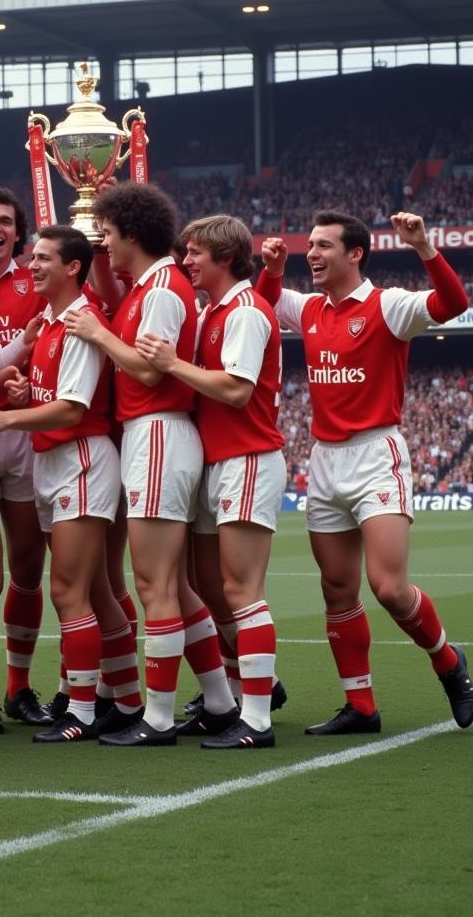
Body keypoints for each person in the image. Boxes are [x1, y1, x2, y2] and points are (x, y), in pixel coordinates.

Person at [257, 210, 473, 734]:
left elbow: (453, 305)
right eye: (309, 245)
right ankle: (361, 707)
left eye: (323, 245)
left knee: (389, 588)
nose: (311, 253)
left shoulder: (389, 306)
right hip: (325, 460)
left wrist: (424, 247)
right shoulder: (308, 308)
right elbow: (262, 307)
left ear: (354, 254)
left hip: (377, 455)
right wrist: (271, 268)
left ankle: (448, 662)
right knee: (337, 588)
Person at [65, 184, 237, 745]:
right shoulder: (151, 284)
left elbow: (147, 370)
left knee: (153, 583)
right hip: (154, 435)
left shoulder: (162, 287)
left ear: (132, 233)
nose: (104, 245)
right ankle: (217, 699)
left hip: (158, 430)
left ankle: (157, 718)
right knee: (177, 586)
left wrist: (96, 333)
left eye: (109, 234)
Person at [0, 225, 119, 743]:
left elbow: (74, 408)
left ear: (74, 267)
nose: (32, 266)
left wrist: (5, 419)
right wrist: (27, 396)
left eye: (44, 259)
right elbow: (57, 397)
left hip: (80, 459)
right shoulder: (50, 324)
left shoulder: (79, 321)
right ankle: (125, 698)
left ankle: (81, 711)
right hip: (53, 461)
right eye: (32, 258)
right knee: (88, 589)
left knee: (68, 590)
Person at [138, 214, 285, 748]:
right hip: (217, 460)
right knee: (209, 587)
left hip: (247, 458)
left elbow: (235, 390)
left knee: (243, 591)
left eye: (196, 252)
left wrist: (173, 365)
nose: (187, 260)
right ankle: (243, 694)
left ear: (225, 257)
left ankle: (258, 719)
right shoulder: (213, 311)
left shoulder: (245, 311)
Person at [0, 188, 53, 727]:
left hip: (22, 435)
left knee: (27, 566)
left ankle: (19, 686)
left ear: (18, 234)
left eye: (5, 221)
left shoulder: (36, 282)